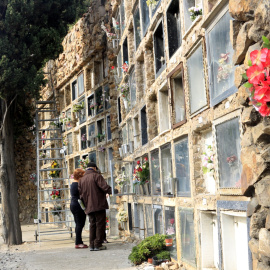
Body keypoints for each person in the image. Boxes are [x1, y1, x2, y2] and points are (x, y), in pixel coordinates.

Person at [78, 162, 112, 251]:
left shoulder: (81, 179)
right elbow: (104, 187)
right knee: (100, 224)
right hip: (98, 204)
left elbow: (80, 195)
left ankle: (91, 244)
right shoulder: (96, 176)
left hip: (88, 206)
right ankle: (98, 244)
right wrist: (113, 191)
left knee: (92, 224)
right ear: (95, 168)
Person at [70, 168, 88, 249]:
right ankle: (78, 243)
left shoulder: (73, 184)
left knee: (78, 224)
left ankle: (79, 241)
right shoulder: (77, 184)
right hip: (78, 205)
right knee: (80, 224)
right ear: (80, 176)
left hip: (74, 204)